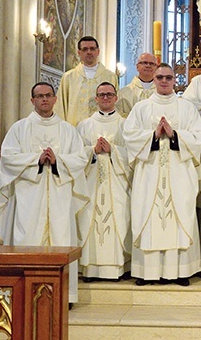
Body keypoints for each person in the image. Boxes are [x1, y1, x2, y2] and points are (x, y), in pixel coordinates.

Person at [0, 82, 89, 304]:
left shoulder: (67, 130)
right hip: (28, 197)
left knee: (61, 238)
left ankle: (65, 296)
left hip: (59, 195)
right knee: (27, 237)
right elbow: (8, 158)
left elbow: (80, 159)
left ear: (55, 99)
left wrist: (58, 161)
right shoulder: (20, 128)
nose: (44, 99)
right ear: (32, 100)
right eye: (39, 96)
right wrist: (36, 160)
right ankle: (24, 293)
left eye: (48, 95)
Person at [123, 63, 201, 286]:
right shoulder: (141, 107)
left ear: (175, 80)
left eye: (169, 77)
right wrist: (153, 135)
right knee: (148, 216)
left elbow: (198, 136)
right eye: (160, 77)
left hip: (179, 172)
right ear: (154, 79)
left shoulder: (186, 107)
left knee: (180, 216)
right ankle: (147, 272)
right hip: (149, 172)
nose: (164, 81)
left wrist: (174, 134)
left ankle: (179, 271)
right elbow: (129, 135)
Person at [77, 82, 131, 282]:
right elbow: (76, 155)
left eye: (109, 94)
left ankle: (119, 267)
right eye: (101, 95)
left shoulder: (125, 124)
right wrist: (91, 150)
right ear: (96, 98)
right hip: (91, 182)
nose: (106, 98)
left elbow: (133, 154)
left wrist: (113, 151)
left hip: (117, 182)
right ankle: (91, 269)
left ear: (116, 98)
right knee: (89, 219)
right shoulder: (84, 125)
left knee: (120, 218)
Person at [57, 36, 119, 126]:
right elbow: (60, 107)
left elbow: (116, 104)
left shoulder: (110, 77)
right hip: (74, 130)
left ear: (98, 51)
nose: (89, 52)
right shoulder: (68, 77)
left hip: (103, 129)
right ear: (79, 52)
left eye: (92, 49)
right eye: (85, 49)